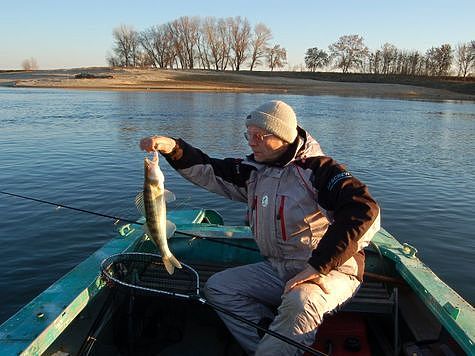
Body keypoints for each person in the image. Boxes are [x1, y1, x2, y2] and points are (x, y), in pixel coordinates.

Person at [139, 100, 380, 355]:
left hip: (330, 271)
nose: (250, 142)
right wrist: (172, 148)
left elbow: (364, 210)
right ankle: (270, 345)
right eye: (248, 135)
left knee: (301, 301)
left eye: (258, 136)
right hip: (279, 269)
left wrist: (317, 266)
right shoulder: (254, 170)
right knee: (219, 288)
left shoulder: (318, 172)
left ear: (283, 137)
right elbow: (210, 170)